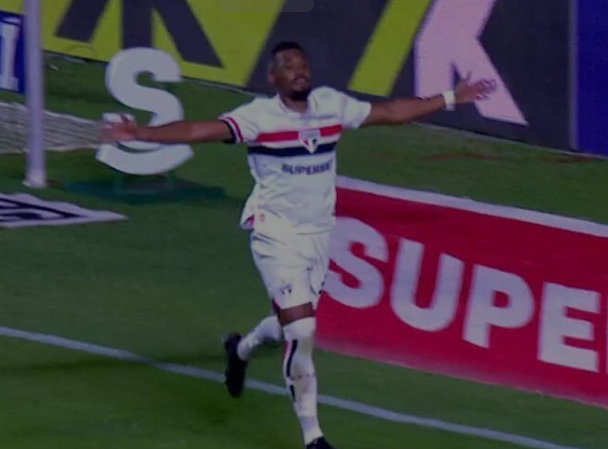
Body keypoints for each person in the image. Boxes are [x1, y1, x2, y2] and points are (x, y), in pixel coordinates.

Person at [101, 41, 496, 449]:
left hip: (319, 235)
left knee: (288, 326)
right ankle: (314, 437)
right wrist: (141, 133)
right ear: (273, 77)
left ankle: (241, 348)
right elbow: (201, 130)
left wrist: (452, 97)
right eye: (289, 65)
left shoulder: (330, 106)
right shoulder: (259, 116)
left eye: (303, 64)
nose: (299, 70)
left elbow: (392, 112)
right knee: (303, 329)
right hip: (276, 235)